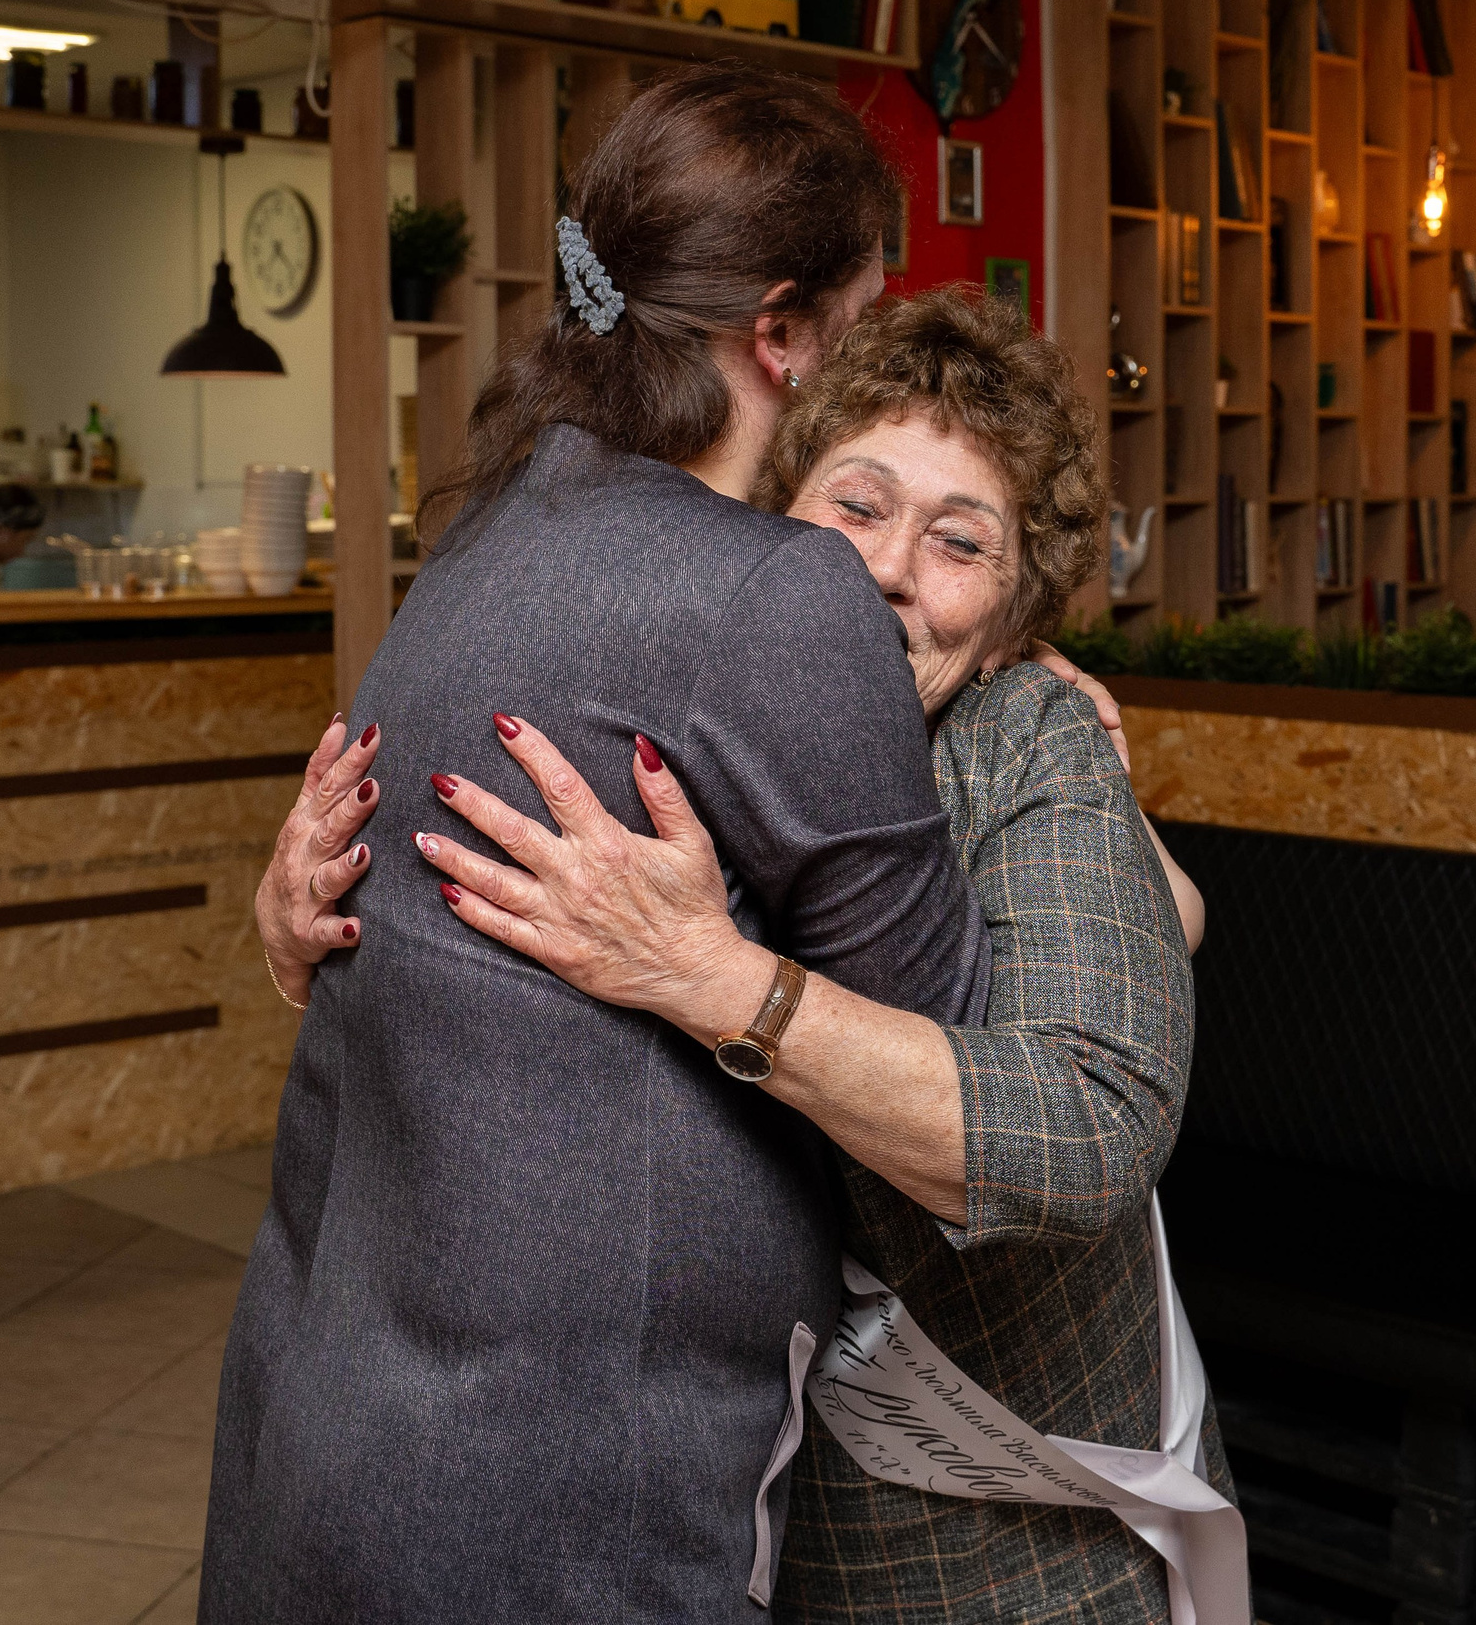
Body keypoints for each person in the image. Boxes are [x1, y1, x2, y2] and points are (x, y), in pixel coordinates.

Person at [203, 64, 990, 1624]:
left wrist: (277, 910)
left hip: (329, 1412)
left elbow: (356, 921)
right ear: (781, 329)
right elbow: (957, 1072)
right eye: (858, 311)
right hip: (559, 1482)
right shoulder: (777, 594)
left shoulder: (498, 522)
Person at [420, 290, 1239, 1620]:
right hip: (715, 1507)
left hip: (1012, 1537)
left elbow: (1084, 1120)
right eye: (855, 506)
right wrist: (303, 913)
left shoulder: (1026, 729)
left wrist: (713, 976)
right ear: (767, 516)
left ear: (1019, 614)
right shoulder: (671, 694)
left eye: (960, 539)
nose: (889, 567)